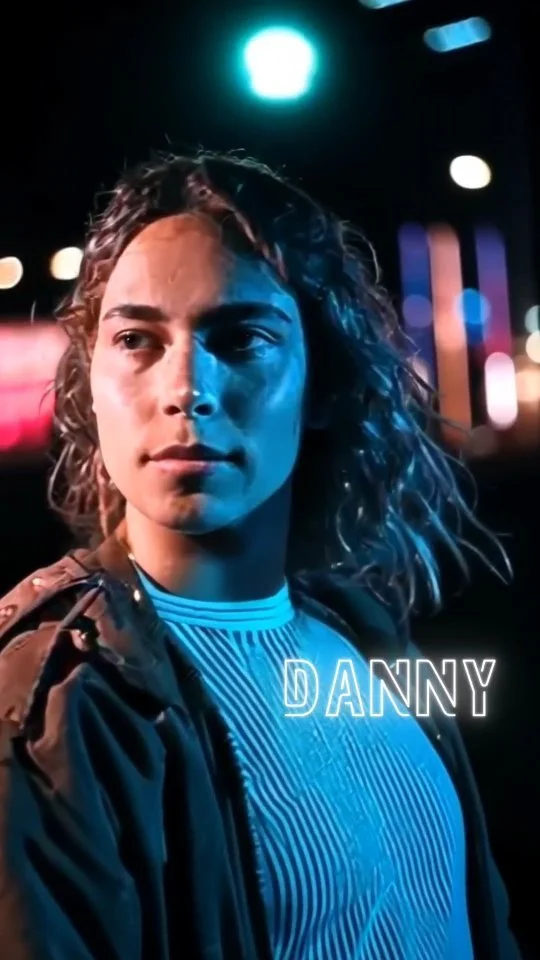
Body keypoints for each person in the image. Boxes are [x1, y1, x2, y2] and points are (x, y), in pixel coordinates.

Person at [0, 151, 521, 960]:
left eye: (241, 338)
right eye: (136, 339)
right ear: (90, 379)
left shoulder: (367, 639)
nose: (185, 388)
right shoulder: (54, 699)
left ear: (324, 384)